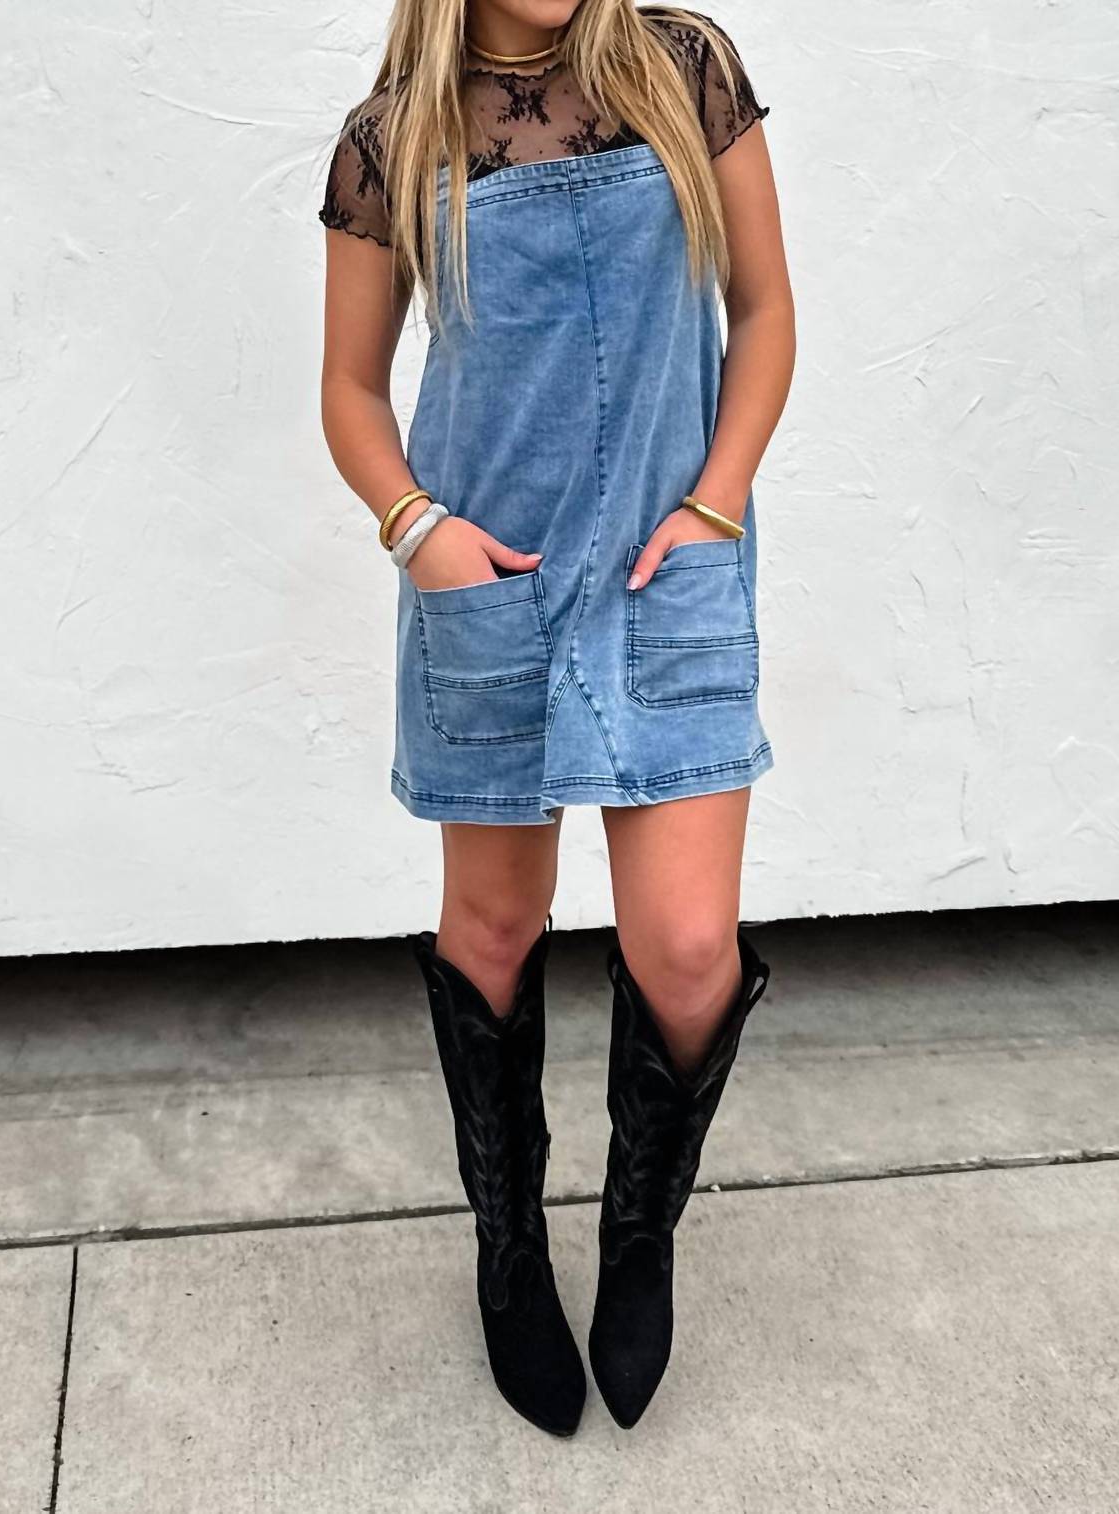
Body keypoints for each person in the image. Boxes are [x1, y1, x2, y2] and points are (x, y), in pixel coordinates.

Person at [319, 0, 794, 1436]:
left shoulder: (686, 68)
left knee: (689, 947)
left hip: (666, 568)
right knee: (492, 931)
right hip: (493, 578)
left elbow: (766, 312)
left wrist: (716, 505)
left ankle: (639, 1233)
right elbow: (348, 390)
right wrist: (419, 531)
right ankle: (511, 1244)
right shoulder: (390, 138)